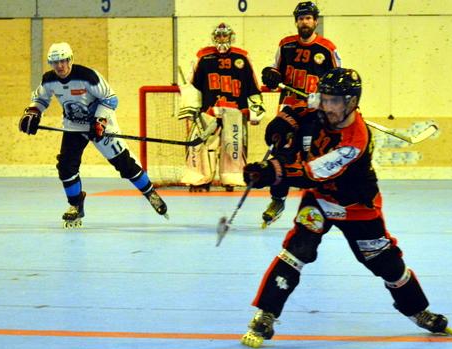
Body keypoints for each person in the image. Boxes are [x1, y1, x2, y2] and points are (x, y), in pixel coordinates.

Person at [240, 68, 452, 348]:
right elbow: (296, 110)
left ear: (352, 102)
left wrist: (273, 171)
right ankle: (265, 314)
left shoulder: (355, 141)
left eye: (335, 101)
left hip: (356, 208)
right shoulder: (321, 105)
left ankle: (418, 311)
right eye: (325, 98)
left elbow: (311, 173)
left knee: (387, 264)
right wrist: (282, 124)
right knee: (296, 251)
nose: (327, 106)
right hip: (319, 201)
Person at [18, 42, 168, 228]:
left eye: (63, 61)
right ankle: (75, 205)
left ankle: (150, 193)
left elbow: (110, 98)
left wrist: (100, 121)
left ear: (70, 59)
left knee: (124, 163)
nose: (60, 66)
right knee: (66, 166)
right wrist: (33, 112)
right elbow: (40, 99)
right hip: (74, 127)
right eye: (55, 62)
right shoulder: (49, 80)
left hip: (100, 125)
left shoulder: (88, 77)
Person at [259, 1, 342, 227]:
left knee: (310, 153)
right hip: (290, 107)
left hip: (315, 112)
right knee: (278, 142)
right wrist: (271, 75)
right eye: (301, 18)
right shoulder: (286, 45)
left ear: (315, 21)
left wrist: (324, 98)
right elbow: (275, 69)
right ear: (296, 21)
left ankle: (318, 204)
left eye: (308, 18)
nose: (304, 22)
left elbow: (338, 80)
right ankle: (277, 200)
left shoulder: (327, 48)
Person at [180, 23, 266, 192]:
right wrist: (190, 109)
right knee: (200, 147)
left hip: (235, 113)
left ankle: (232, 179)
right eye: (218, 36)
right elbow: (192, 86)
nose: (221, 39)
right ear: (214, 38)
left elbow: (253, 86)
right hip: (209, 113)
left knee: (234, 147)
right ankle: (200, 180)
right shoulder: (203, 58)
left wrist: (256, 110)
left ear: (230, 37)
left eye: (224, 35)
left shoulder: (242, 58)